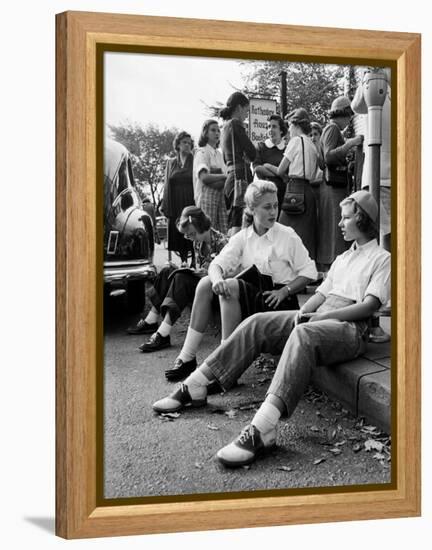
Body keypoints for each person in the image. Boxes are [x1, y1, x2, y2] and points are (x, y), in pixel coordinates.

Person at [152, 190, 390, 468]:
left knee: (303, 333)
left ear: (362, 220)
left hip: (350, 327)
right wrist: (303, 312)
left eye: (346, 218)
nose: (339, 223)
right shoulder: (342, 258)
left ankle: (264, 427)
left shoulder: (381, 258)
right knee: (257, 323)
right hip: (322, 316)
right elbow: (321, 294)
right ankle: (196, 385)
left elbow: (369, 306)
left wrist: (320, 318)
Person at [163, 179, 317, 382]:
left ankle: (224, 365)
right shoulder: (243, 237)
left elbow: (309, 272)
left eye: (275, 206)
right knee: (206, 283)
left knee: (232, 286)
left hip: (277, 302)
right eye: (267, 207)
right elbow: (216, 265)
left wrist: (285, 291)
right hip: (252, 298)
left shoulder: (287, 236)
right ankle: (187, 356)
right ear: (252, 210)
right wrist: (217, 279)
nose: (273, 212)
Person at [127, 207, 228, 356]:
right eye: (187, 235)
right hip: (201, 285)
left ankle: (163, 334)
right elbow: (199, 268)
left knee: (181, 279)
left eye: (191, 234)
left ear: (200, 225)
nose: (190, 238)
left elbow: (227, 275)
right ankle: (151, 320)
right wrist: (189, 268)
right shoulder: (198, 242)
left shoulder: (222, 243)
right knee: (168, 270)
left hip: (213, 292)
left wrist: (205, 273)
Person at [318, 96, 364, 272]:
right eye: (348, 116)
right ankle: (335, 270)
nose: (349, 120)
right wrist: (351, 143)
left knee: (334, 229)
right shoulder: (332, 129)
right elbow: (329, 156)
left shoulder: (331, 130)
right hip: (333, 188)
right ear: (343, 114)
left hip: (331, 187)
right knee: (336, 229)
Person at [273, 108, 319, 260]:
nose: (289, 130)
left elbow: (280, 170)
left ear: (296, 125)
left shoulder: (295, 142)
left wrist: (267, 167)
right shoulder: (312, 145)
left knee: (282, 232)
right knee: (306, 235)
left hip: (294, 190)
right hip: (309, 192)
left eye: (290, 126)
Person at [220, 92, 256, 236]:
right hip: (240, 178)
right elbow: (252, 153)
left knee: (233, 219)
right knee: (242, 222)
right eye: (246, 110)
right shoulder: (235, 124)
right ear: (239, 107)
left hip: (230, 178)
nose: (246, 115)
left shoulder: (224, 128)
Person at [160, 131, 196, 264]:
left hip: (190, 199)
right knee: (178, 229)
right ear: (178, 145)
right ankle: (183, 261)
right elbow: (166, 184)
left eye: (189, 143)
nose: (187, 145)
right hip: (175, 201)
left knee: (192, 227)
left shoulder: (195, 160)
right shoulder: (171, 163)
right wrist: (165, 205)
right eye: (184, 142)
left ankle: (194, 259)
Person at [193, 119, 228, 234]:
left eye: (218, 130)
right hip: (206, 197)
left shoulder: (219, 154)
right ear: (205, 133)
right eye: (213, 130)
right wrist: (223, 176)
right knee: (207, 231)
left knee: (221, 232)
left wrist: (219, 175)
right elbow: (204, 178)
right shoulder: (202, 152)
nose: (217, 133)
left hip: (220, 196)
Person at [252, 115, 288, 213]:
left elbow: (288, 174)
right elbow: (257, 168)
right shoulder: (260, 146)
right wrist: (279, 173)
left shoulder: (287, 149)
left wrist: (267, 166)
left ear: (281, 130)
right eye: (268, 127)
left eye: (274, 126)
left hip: (283, 195)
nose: (270, 129)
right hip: (264, 194)